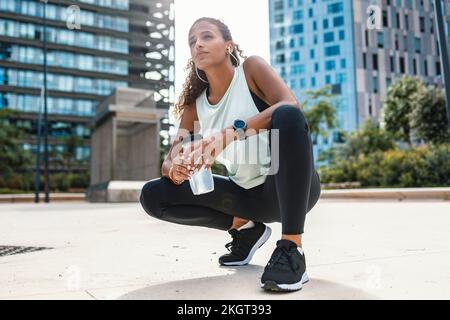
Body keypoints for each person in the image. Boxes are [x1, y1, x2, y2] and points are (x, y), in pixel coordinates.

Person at [140, 17, 321, 292]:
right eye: (192, 42)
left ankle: (291, 249)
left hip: (290, 190)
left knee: (288, 114)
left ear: (228, 45)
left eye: (206, 37)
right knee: (153, 196)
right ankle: (246, 230)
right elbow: (170, 157)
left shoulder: (250, 71)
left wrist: (229, 134)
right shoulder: (195, 106)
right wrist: (174, 168)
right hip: (247, 197)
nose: (197, 44)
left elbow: (291, 105)